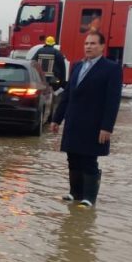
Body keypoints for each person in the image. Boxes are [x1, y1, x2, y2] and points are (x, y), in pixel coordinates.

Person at [50, 31, 122, 208]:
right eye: (86, 43)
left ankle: (89, 198)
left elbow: (112, 101)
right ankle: (75, 193)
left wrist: (107, 127)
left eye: (93, 43)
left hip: (94, 123)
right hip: (74, 121)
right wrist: (56, 119)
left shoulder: (111, 69)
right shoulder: (76, 66)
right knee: (72, 157)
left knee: (89, 159)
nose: (88, 46)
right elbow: (67, 95)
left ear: (102, 47)